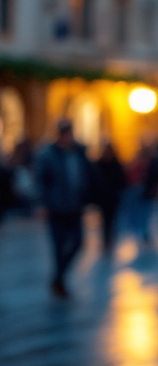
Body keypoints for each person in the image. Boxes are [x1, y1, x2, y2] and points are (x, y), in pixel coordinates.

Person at [35, 120, 97, 297]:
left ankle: (58, 278)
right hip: (56, 208)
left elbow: (88, 175)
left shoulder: (78, 152)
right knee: (59, 247)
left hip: (75, 207)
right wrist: (42, 203)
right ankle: (59, 281)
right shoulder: (48, 155)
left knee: (78, 242)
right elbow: (41, 180)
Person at [93, 142, 128, 254]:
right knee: (105, 221)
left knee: (112, 220)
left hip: (113, 198)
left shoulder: (115, 164)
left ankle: (110, 239)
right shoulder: (100, 164)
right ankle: (106, 241)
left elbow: (121, 180)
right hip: (104, 198)